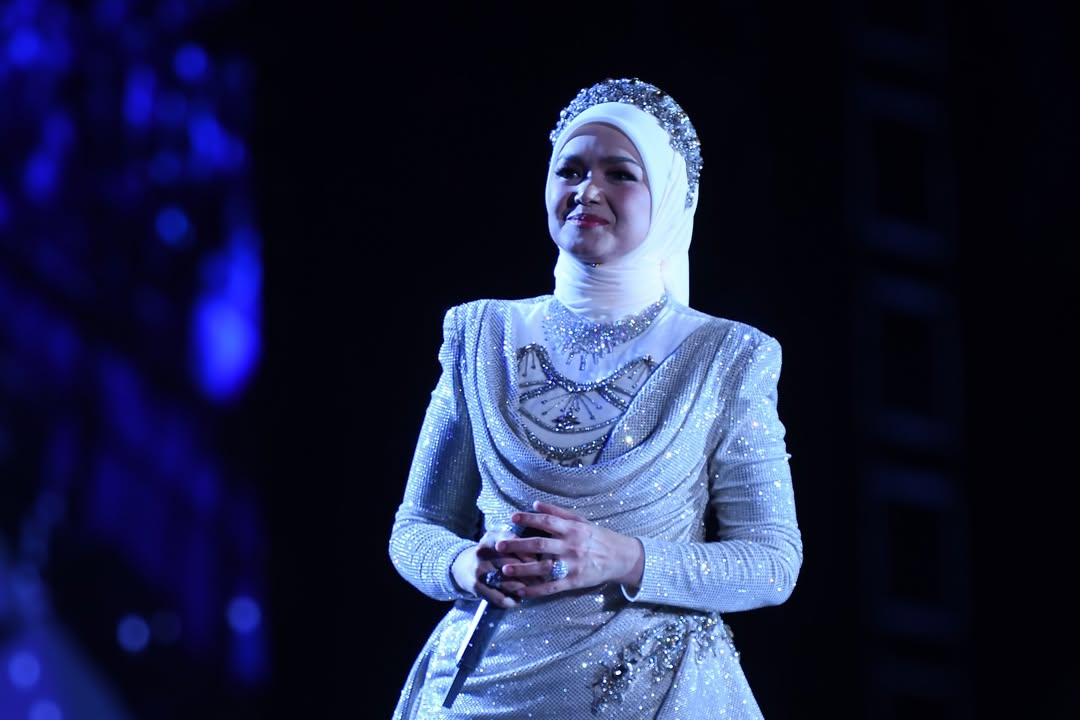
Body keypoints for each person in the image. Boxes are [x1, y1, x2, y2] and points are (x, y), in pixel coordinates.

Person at [387, 77, 803, 719]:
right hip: (480, 692)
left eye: (620, 173)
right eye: (571, 170)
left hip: (654, 696)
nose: (587, 190)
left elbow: (772, 563)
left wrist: (623, 558)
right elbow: (415, 530)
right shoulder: (480, 333)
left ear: (668, 198)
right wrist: (465, 566)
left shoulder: (727, 356)